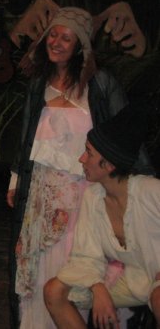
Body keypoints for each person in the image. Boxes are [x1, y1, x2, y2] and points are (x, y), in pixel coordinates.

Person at [6, 6, 153, 328]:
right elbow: (26, 135)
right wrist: (16, 180)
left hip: (85, 193)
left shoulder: (100, 83)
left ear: (80, 46)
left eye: (66, 38)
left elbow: (124, 136)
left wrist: (139, 186)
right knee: (43, 265)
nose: (56, 42)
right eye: (53, 35)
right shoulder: (39, 83)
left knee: (82, 263)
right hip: (43, 195)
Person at [44, 103, 160, 329]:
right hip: (136, 281)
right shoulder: (94, 197)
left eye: (88, 153)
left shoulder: (150, 191)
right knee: (54, 291)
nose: (81, 159)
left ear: (108, 165)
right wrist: (98, 288)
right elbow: (86, 255)